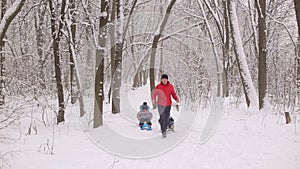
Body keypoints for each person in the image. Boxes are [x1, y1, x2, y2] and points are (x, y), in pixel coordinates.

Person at [152, 74, 179, 138]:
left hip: (168, 105)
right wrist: (153, 99)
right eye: (163, 79)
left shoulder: (170, 86)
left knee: (166, 117)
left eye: (165, 79)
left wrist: (176, 98)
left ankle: (165, 125)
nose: (164, 80)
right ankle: (163, 131)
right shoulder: (158, 86)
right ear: (161, 80)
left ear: (167, 80)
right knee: (162, 117)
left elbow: (173, 94)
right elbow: (154, 93)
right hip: (160, 105)